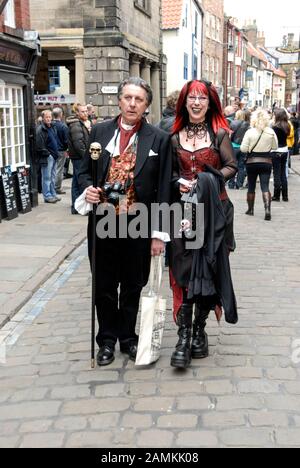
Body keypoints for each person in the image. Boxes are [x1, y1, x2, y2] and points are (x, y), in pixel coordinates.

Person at [76, 77, 172, 367]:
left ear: (146, 105)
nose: (132, 104)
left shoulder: (159, 139)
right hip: (103, 221)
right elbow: (83, 171)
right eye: (128, 97)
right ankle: (106, 339)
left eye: (138, 99)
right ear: (119, 100)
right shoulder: (100, 131)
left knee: (133, 283)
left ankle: (128, 337)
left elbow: (164, 188)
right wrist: (87, 190)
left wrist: (159, 235)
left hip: (139, 222)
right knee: (103, 285)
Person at [169, 79, 238, 369]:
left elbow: (232, 166)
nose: (197, 103)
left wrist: (209, 179)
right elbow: (169, 174)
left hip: (215, 212)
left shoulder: (219, 133)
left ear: (209, 104)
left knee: (208, 268)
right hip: (183, 214)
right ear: (184, 103)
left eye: (202, 98)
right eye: (192, 98)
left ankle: (200, 331)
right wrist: (179, 183)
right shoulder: (173, 138)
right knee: (184, 272)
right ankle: (183, 337)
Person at [241, 110, 278, 221]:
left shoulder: (249, 132)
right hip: (266, 162)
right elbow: (275, 146)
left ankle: (250, 209)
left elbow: (243, 148)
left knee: (251, 186)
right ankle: (267, 210)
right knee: (265, 186)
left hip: (251, 162)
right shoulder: (270, 132)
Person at [67, 103, 90, 214]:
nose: (86, 113)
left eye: (86, 111)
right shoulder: (76, 125)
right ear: (77, 113)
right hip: (79, 158)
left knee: (76, 181)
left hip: (78, 157)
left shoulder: (79, 123)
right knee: (80, 182)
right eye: (83, 111)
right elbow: (79, 144)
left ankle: (76, 207)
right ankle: (79, 207)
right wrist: (86, 157)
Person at [36, 110, 61, 204]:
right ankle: (47, 196)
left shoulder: (53, 127)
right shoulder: (40, 129)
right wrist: (48, 154)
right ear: (42, 118)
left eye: (50, 117)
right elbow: (39, 146)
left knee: (53, 177)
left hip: (54, 156)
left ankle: (53, 194)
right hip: (47, 157)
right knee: (46, 177)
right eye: (46, 117)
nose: (49, 119)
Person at [228, 109, 251, 189]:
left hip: (233, 147)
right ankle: (239, 184)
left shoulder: (232, 123)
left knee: (232, 166)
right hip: (243, 147)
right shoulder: (248, 125)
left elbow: (229, 136)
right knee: (241, 166)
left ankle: (231, 184)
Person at [271, 108, 290, 202]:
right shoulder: (287, 126)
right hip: (285, 150)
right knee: (283, 173)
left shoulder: (274, 127)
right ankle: (285, 195)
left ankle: (276, 195)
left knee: (276, 173)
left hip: (276, 151)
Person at [52, 107, 69, 195]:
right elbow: (66, 140)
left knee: (52, 169)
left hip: (51, 150)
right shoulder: (63, 126)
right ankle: (57, 188)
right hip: (61, 150)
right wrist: (66, 148)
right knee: (59, 169)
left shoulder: (50, 124)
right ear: (61, 115)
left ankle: (52, 187)